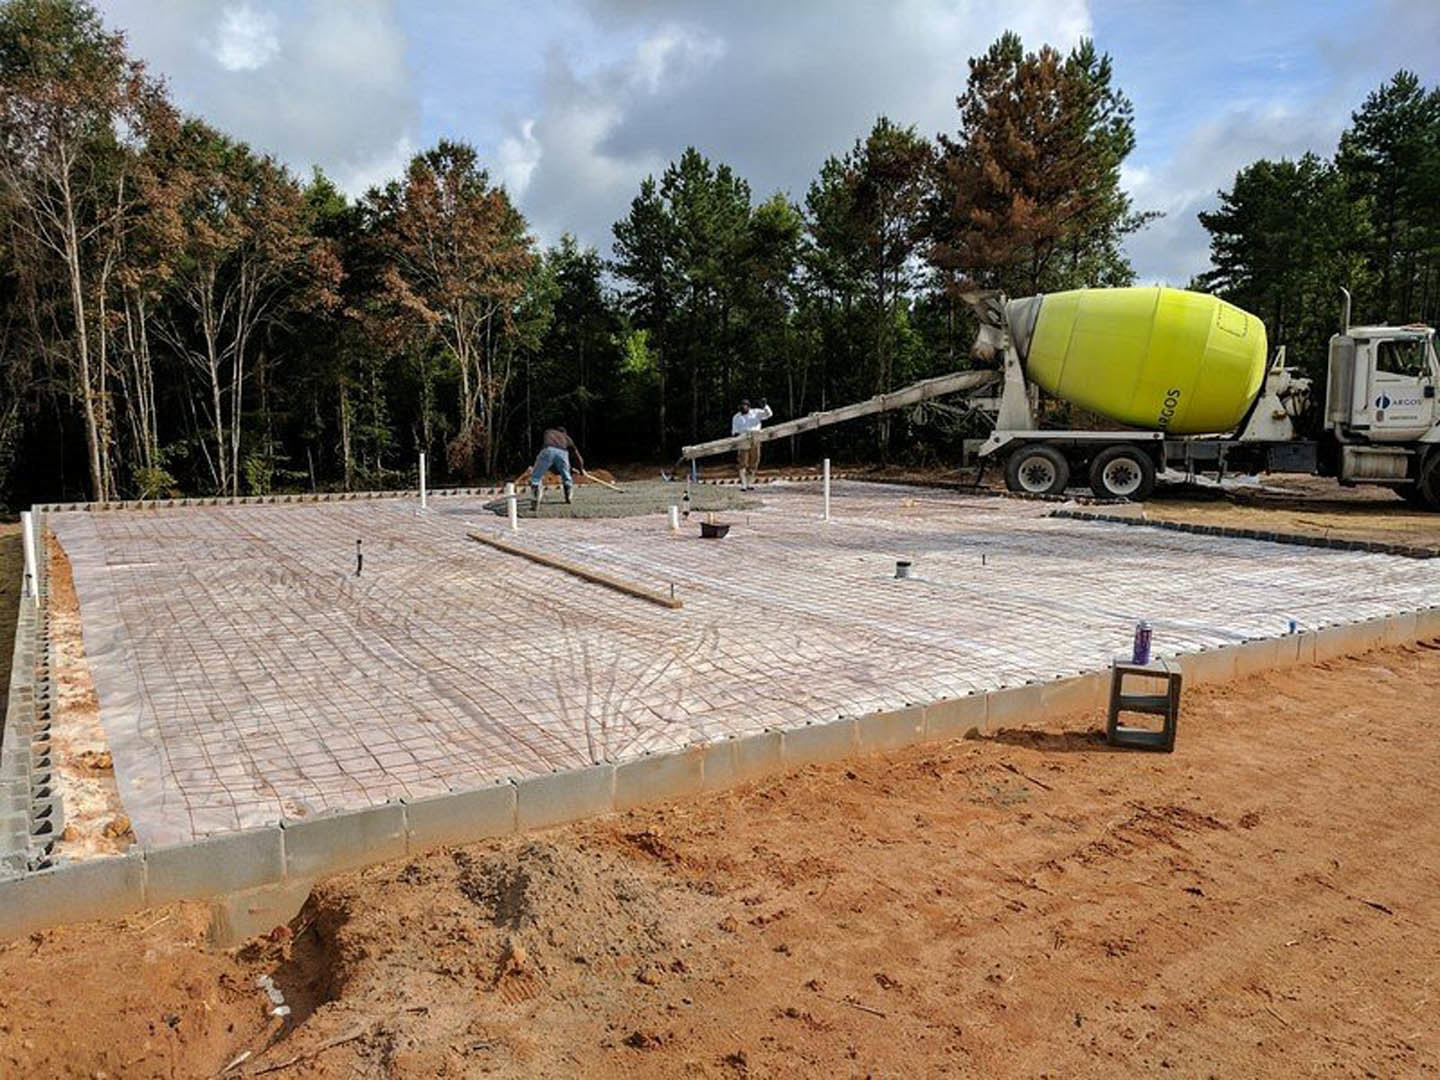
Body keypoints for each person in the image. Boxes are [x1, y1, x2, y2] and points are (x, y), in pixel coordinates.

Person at [529, 426, 585, 509]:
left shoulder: (548, 431)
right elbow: (576, 455)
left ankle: (535, 496)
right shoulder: (567, 438)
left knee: (536, 477)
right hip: (563, 453)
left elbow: (550, 459)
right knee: (566, 476)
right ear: (564, 433)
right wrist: (581, 469)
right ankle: (568, 495)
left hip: (548, 450)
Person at [731, 398, 772, 490]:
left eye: (745, 405)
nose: (743, 407)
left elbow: (769, 414)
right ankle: (743, 484)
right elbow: (734, 432)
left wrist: (765, 406)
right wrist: (737, 440)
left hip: (755, 438)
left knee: (754, 461)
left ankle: (749, 483)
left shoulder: (756, 413)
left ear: (749, 407)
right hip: (743, 439)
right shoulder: (736, 417)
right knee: (742, 462)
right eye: (742, 405)